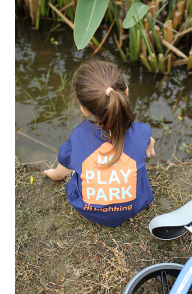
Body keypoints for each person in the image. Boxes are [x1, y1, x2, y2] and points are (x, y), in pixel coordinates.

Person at [43, 58, 155, 227]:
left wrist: (54, 175)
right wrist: (150, 146)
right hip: (134, 205)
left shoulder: (78, 137)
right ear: (127, 92)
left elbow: (63, 168)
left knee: (77, 167)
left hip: (89, 210)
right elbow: (149, 140)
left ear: (84, 109)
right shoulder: (142, 132)